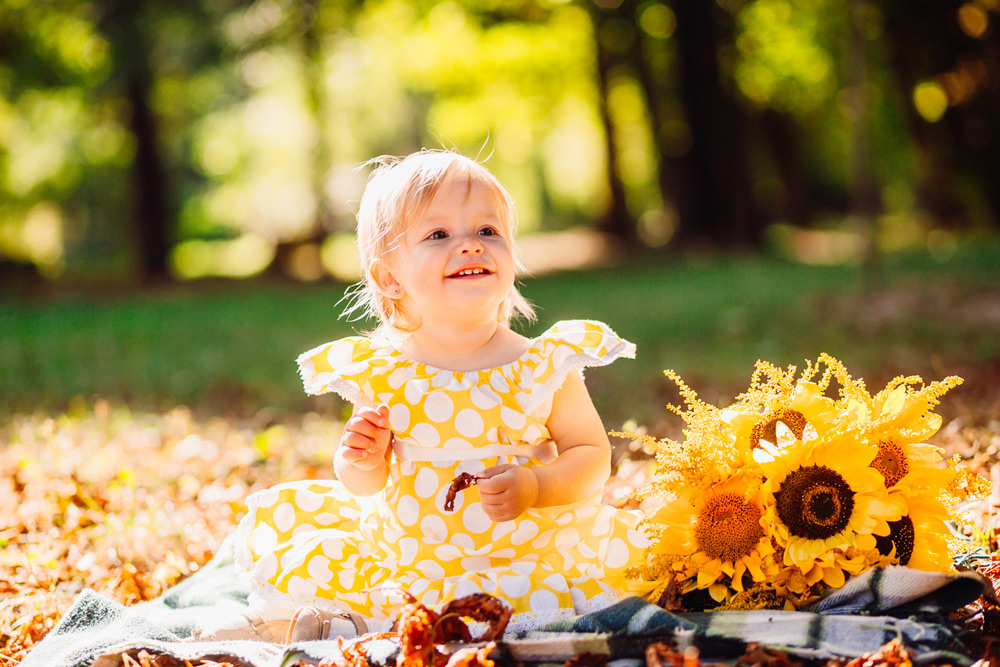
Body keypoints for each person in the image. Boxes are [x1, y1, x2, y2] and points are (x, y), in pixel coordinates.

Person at [213, 150, 648, 642]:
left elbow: (590, 455)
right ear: (390, 278)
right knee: (372, 593)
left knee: (555, 592)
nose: (470, 246)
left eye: (488, 231)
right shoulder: (385, 372)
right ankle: (321, 622)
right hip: (410, 552)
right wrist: (360, 458)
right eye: (439, 235)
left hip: (524, 550)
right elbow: (364, 484)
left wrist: (536, 486)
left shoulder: (542, 366)